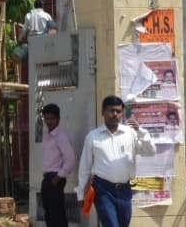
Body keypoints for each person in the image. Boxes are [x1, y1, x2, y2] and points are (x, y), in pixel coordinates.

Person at [77, 95, 156, 227]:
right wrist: (80, 193)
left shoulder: (130, 133)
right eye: (111, 110)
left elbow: (150, 151)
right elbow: (85, 167)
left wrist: (141, 131)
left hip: (125, 190)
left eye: (118, 111)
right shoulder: (93, 137)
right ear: (103, 112)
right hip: (103, 190)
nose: (114, 114)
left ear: (122, 113)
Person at [40, 104, 76, 227]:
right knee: (48, 213)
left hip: (56, 178)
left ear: (58, 119)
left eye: (52, 118)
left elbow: (70, 159)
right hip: (47, 178)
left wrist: (58, 177)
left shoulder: (61, 137)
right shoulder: (47, 136)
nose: (49, 121)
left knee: (57, 214)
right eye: (47, 119)